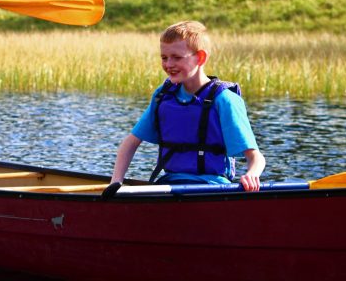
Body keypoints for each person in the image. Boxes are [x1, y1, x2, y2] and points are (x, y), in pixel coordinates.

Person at [108, 21, 265, 192]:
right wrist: (116, 182)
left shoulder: (225, 100)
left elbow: (256, 157)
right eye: (164, 57)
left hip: (212, 188)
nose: (168, 64)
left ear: (200, 58)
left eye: (177, 57)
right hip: (169, 186)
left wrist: (252, 174)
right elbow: (130, 143)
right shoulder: (163, 96)